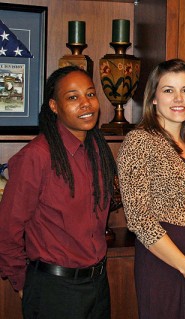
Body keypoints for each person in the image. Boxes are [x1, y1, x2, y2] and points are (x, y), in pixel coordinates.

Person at [0, 65, 117, 318]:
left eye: (90, 94)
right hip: (54, 289)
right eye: (73, 97)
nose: (86, 104)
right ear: (54, 106)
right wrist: (23, 282)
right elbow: (7, 228)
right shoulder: (36, 157)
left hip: (98, 285)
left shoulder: (98, 151)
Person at [117, 59, 185, 319]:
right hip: (167, 269)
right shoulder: (140, 140)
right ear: (153, 98)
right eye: (168, 90)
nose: (179, 98)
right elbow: (139, 219)